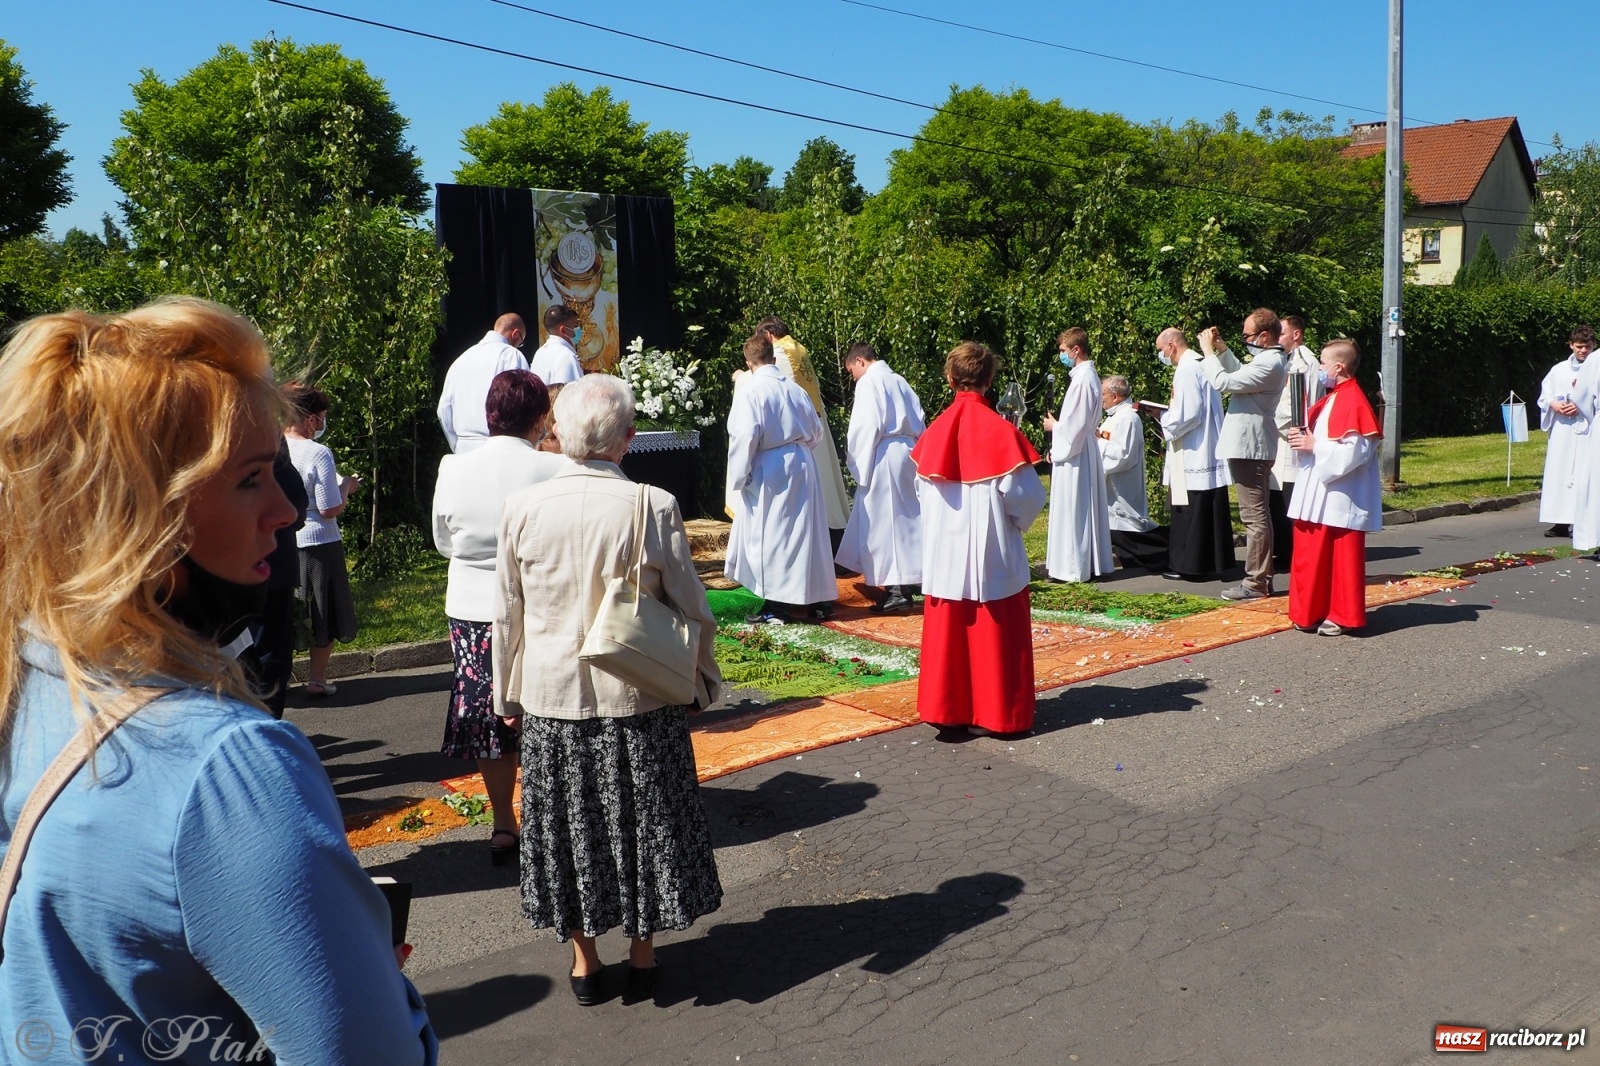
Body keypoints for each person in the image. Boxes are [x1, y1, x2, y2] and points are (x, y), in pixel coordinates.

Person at [0, 299, 436, 1063]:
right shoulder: (226, 767)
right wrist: (379, 985)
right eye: (249, 480)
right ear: (138, 514)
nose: (282, 510)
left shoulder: (25, 674)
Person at [493, 373, 724, 1007]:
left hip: (550, 699)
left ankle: (584, 963)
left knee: (568, 833)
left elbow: (507, 614)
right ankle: (643, 957)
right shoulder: (652, 505)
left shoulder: (521, 508)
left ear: (559, 433)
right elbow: (693, 609)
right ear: (626, 441)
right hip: (640, 695)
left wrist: (504, 696)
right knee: (643, 824)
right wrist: (703, 680)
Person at [432, 370, 567, 865]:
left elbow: (444, 541)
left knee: (491, 719)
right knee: (542, 710)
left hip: (471, 607)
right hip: (536, 605)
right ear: (540, 417)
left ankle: (503, 822)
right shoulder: (552, 470)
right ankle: (542, 813)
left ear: (490, 414)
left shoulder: (453, 467)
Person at [913, 342, 1047, 738]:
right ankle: (999, 715)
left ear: (950, 379)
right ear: (989, 380)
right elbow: (1027, 500)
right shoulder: (1002, 433)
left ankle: (947, 711)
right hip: (991, 552)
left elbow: (921, 494)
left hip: (944, 554)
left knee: (948, 633)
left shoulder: (932, 434)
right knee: (996, 633)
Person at [725, 332, 838, 623]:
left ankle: (778, 606)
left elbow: (744, 436)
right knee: (806, 534)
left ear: (749, 363)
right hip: (802, 461)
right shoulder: (795, 389)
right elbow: (816, 432)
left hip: (771, 466)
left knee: (774, 536)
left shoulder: (751, 390)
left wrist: (739, 477)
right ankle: (814, 600)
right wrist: (797, 451)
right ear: (773, 359)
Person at [1284, 339, 1382, 636]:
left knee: (1341, 557)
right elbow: (1317, 439)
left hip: (1340, 493)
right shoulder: (1331, 398)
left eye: (1324, 364)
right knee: (1309, 553)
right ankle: (1308, 611)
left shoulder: (1354, 400)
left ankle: (1341, 615)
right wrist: (1302, 440)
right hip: (1316, 490)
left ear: (1338, 367)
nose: (1320, 369)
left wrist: (1316, 446)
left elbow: (1358, 451)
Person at [1199, 309, 1288, 600]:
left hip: (1251, 447)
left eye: (1247, 335)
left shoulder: (1271, 362)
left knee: (1255, 517)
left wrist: (1208, 353)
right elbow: (1238, 374)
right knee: (1258, 515)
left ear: (1264, 336)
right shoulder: (1265, 360)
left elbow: (1224, 383)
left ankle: (1256, 582)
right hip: (1248, 446)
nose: (1245, 339)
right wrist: (1223, 349)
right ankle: (1262, 579)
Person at [835, 342, 926, 612]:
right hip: (909, 451)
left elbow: (865, 427)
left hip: (883, 453)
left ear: (860, 361)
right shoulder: (899, 380)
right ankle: (906, 584)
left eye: (851, 371)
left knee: (886, 523)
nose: (853, 378)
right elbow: (920, 420)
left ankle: (897, 589)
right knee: (907, 520)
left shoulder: (869, 382)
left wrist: (857, 465)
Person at [284, 383, 361, 697]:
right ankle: (316, 678)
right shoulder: (318, 452)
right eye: (322, 417)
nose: (323, 423)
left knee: (291, 611)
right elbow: (330, 507)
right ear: (310, 419)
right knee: (322, 611)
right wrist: (348, 487)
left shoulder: (271, 445)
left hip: (286, 540)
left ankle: (282, 677)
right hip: (320, 540)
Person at [758, 316, 852, 546]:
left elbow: (764, 385)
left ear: (769, 335)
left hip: (799, 436)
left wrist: (741, 378)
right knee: (825, 487)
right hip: (814, 426)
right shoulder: (798, 349)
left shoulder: (780, 354)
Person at [1153, 327, 1235, 580]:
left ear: (1171, 347)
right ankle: (1212, 562)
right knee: (1208, 507)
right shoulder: (1202, 363)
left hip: (1194, 449)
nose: (1161, 355)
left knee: (1191, 509)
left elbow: (1189, 413)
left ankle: (1190, 565)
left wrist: (1163, 417)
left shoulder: (1187, 368)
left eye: (1160, 351)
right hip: (1208, 445)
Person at [1042, 327, 1113, 583]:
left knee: (1074, 507)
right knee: (1077, 507)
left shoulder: (1083, 379)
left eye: (1063, 350)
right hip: (1082, 447)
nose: (1061, 355)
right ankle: (1075, 565)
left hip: (1076, 452)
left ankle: (1072, 568)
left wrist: (1055, 427)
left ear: (1076, 349)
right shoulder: (1084, 376)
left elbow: (1076, 424)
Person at [244, 436, 308, 718]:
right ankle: (263, 728)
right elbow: (294, 504)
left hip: (247, 571)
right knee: (269, 657)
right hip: (271, 568)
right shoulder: (261, 436)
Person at [1097, 375, 1169, 571]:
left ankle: (1170, 551)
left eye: (1102, 393)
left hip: (1122, 487)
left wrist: (1098, 441)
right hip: (1111, 488)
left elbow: (1123, 455)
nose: (1099, 397)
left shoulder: (1128, 418)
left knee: (1128, 531)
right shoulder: (1115, 417)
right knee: (1122, 536)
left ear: (1115, 396)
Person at [1270, 314, 1324, 570]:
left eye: (1281, 333)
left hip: (1292, 436)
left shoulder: (1305, 362)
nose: (1277, 338)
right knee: (1278, 497)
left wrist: (1269, 414)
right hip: (1279, 437)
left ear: (1296, 334)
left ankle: (1295, 553)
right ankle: (1283, 551)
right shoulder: (1286, 359)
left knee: (1290, 496)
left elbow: (1301, 405)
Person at [437, 313, 529, 453]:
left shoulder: (461, 360)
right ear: (515, 334)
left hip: (463, 447)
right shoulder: (511, 355)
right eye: (520, 342)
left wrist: (456, 444)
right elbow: (521, 402)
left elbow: (443, 409)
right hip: (500, 447)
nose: (519, 346)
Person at [1537, 325, 1595, 538]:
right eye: (1579, 346)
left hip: (1586, 427)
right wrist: (1553, 404)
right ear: (1571, 345)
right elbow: (1545, 395)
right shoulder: (1559, 369)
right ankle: (1560, 521)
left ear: (1593, 345)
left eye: (1587, 347)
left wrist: (1581, 404)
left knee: (1582, 473)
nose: (1583, 351)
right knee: (1559, 472)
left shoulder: (1597, 368)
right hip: (1562, 429)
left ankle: (1578, 521)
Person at [530, 304, 585, 386]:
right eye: (576, 326)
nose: (580, 330)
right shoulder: (566, 356)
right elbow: (571, 394)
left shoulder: (540, 352)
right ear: (563, 330)